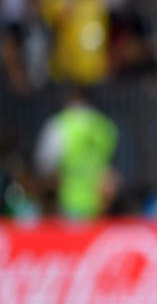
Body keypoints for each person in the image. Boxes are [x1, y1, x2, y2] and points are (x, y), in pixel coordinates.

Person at [34, 86, 118, 219]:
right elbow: (111, 171)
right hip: (100, 205)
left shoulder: (60, 124)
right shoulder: (104, 126)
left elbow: (44, 166)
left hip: (66, 204)